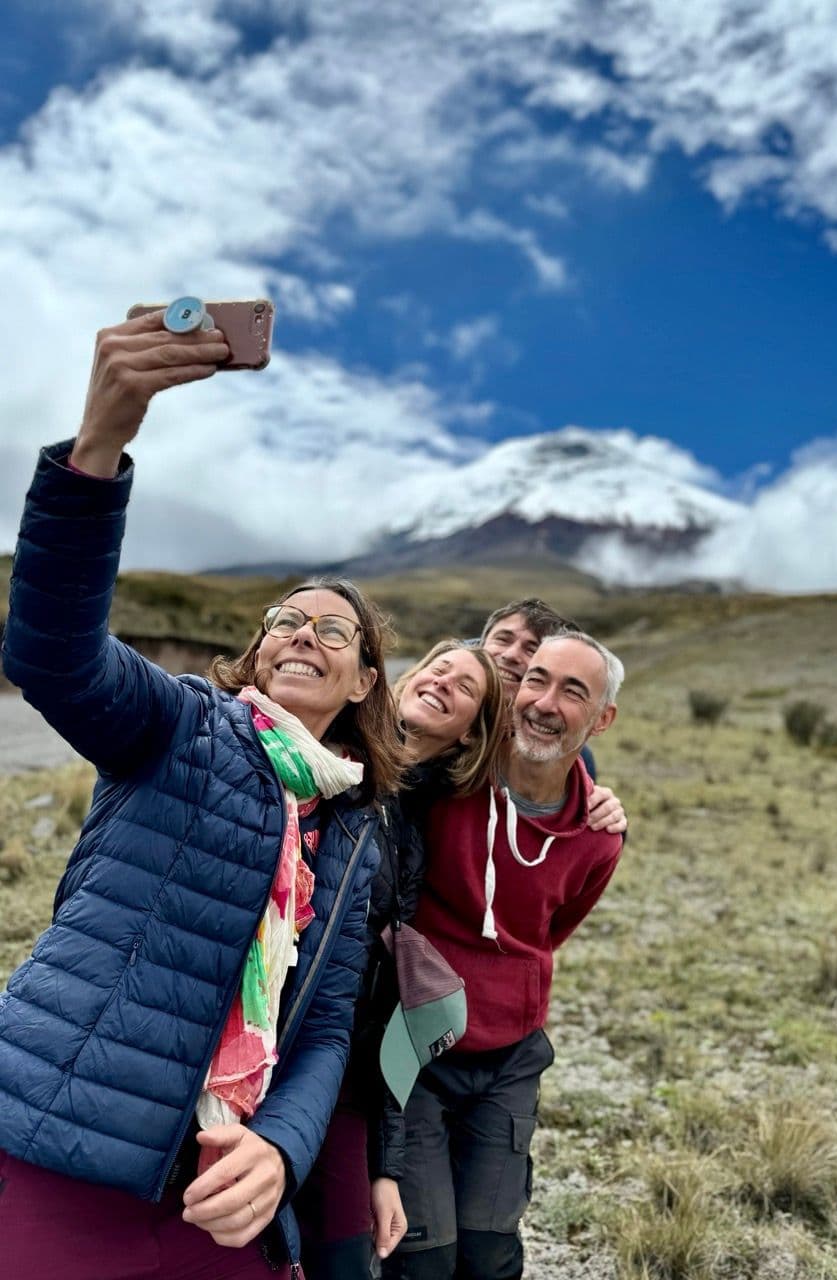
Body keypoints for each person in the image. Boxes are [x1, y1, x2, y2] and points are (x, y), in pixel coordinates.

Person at [0, 310, 403, 1280]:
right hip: (62, 1141)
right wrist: (96, 450)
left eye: (335, 629)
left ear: (362, 684)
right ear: (260, 652)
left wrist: (282, 1146)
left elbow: (329, 1023)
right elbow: (52, 657)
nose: (304, 631)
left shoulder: (355, 828)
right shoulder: (181, 722)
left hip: (219, 1187)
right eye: (286, 618)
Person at [383, 630, 626, 1280]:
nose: (544, 702)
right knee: (423, 1258)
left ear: (602, 718)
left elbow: (549, 931)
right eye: (535, 680)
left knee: (491, 1256)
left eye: (573, 691)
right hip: (416, 1051)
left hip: (509, 1061)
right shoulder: (447, 779)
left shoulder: (597, 837)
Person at [297, 640, 508, 1278]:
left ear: (470, 736)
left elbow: (390, 999)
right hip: (252, 1053)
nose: (444, 680)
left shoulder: (411, 827)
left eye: (465, 686)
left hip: (334, 1073)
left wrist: (384, 1165)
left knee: (341, 1257)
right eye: (438, 666)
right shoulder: (327, 747)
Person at [479, 598, 599, 781]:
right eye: (502, 639)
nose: (510, 655)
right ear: (481, 645)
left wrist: (598, 804)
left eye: (531, 649)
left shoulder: (575, 759)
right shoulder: (436, 702)